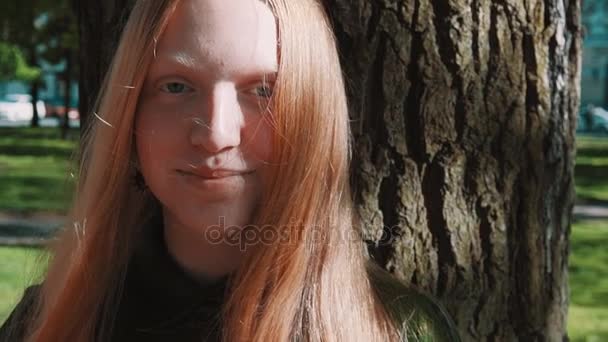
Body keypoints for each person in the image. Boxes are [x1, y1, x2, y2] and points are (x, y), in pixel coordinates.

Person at [0, 0, 461, 341]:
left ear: (315, 117)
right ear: (130, 118)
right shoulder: (48, 323)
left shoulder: (400, 330)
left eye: (262, 90)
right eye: (176, 86)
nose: (216, 134)